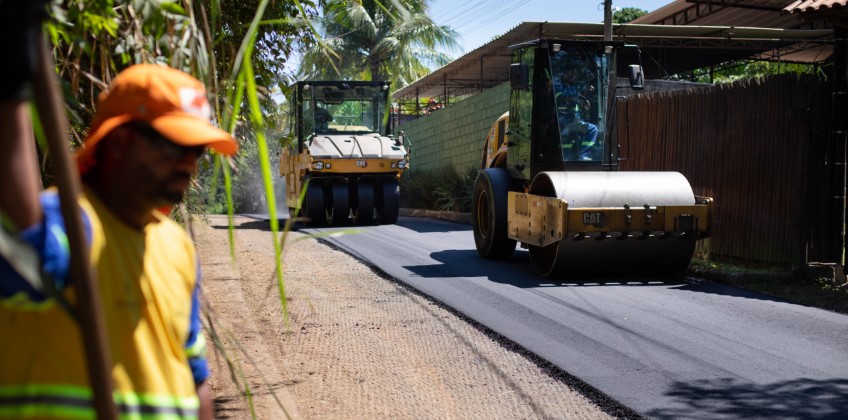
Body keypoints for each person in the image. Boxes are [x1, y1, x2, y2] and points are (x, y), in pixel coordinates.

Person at [0, 4, 238, 418]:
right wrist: (12, 80)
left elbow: (194, 375)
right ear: (117, 144)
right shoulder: (72, 226)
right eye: (174, 145)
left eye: (196, 149)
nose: (189, 162)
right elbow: (21, 214)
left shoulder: (176, 247)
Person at [556, 67, 598, 161]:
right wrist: (574, 100)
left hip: (573, 123)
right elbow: (561, 98)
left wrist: (584, 104)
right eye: (572, 74)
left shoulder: (573, 87)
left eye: (575, 75)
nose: (574, 77)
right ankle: (567, 158)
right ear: (565, 74)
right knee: (572, 134)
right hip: (562, 122)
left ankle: (584, 156)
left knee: (592, 129)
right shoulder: (558, 86)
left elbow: (577, 101)